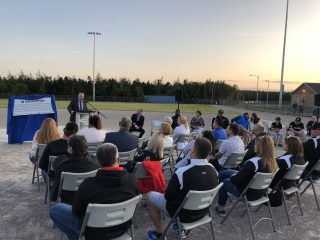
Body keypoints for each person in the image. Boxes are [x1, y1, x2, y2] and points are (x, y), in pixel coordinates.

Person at [50, 143, 139, 240]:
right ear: (118, 160)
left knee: (56, 209)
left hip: (93, 233)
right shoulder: (133, 180)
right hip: (122, 228)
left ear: (98, 161)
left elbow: (76, 211)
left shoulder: (87, 185)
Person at [146, 137, 218, 240]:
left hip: (182, 214)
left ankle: (159, 235)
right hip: (202, 212)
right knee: (183, 194)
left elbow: (167, 196)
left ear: (193, 150)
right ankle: (179, 228)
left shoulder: (182, 171)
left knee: (149, 197)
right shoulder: (214, 170)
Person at [215, 136, 278, 215]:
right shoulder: (273, 163)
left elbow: (236, 180)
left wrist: (234, 176)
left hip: (247, 193)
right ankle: (216, 192)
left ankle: (220, 208)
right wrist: (236, 175)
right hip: (260, 192)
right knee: (226, 172)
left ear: (261, 148)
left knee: (225, 181)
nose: (254, 146)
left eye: (256, 145)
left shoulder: (252, 162)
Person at [50, 135, 100, 204]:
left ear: (70, 148)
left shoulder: (61, 165)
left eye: (68, 146)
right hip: (89, 201)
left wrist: (52, 197)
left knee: (54, 210)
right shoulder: (96, 163)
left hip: (68, 203)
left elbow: (55, 194)